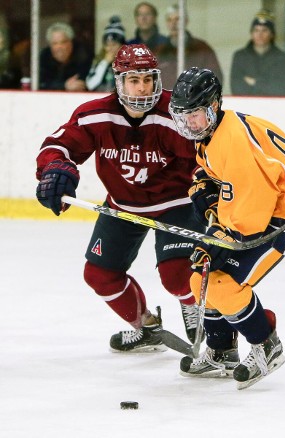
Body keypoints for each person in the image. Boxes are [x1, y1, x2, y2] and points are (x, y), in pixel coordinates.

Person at [35, 44, 205, 353]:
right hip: (123, 204)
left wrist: (208, 189)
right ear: (118, 82)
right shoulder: (96, 115)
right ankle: (147, 328)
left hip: (175, 204)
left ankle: (191, 303)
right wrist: (54, 169)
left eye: (148, 80)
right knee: (99, 275)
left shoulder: (175, 114)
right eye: (134, 80)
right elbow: (57, 147)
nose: (142, 88)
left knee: (177, 277)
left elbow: (204, 160)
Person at [169, 67, 285, 388]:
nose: (189, 123)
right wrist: (206, 186)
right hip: (258, 210)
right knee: (199, 278)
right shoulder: (215, 130)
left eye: (195, 115)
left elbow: (253, 205)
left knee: (222, 285)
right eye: (184, 116)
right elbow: (223, 177)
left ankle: (267, 345)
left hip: (283, 218)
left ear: (214, 105)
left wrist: (222, 237)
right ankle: (221, 351)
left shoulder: (233, 140)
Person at [157, 4, 223, 90]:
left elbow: (215, 78)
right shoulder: (159, 51)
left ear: (186, 21)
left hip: (195, 102)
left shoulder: (202, 48)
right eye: (169, 20)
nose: (173, 24)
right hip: (167, 101)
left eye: (177, 19)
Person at [230, 11, 285, 96]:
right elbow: (236, 88)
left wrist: (254, 82)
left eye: (264, 30)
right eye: (256, 30)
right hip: (246, 106)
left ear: (272, 34)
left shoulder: (282, 58)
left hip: (273, 106)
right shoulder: (240, 56)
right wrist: (267, 85)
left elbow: (282, 89)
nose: (260, 34)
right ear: (251, 34)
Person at [39, 22, 93, 91]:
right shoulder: (44, 57)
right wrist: (64, 85)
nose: (59, 47)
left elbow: (86, 82)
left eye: (63, 42)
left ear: (71, 42)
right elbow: (41, 84)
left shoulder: (84, 55)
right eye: (55, 43)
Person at [86, 16, 126, 92]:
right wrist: (104, 63)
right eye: (107, 45)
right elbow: (90, 85)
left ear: (122, 46)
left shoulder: (128, 63)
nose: (110, 48)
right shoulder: (98, 61)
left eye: (114, 45)